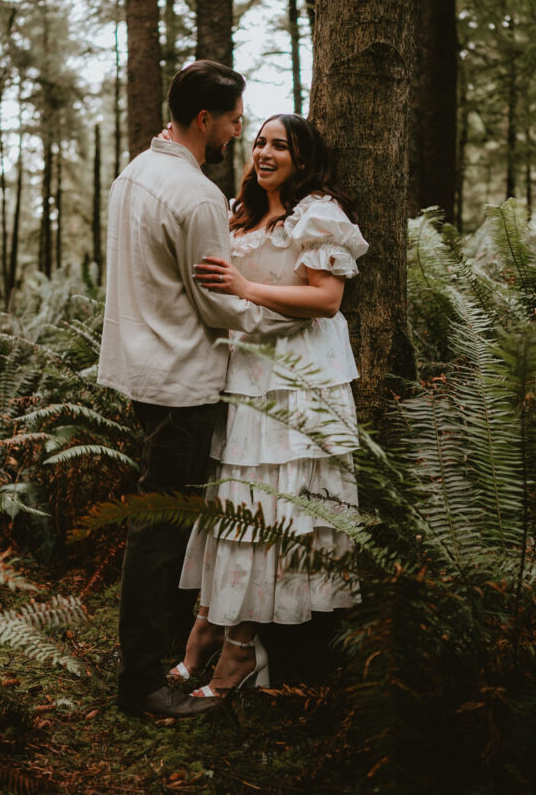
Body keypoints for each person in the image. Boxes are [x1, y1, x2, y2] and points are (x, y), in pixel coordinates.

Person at [97, 62, 307, 719]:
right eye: (236, 119)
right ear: (204, 119)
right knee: (160, 534)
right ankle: (142, 684)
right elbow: (218, 304)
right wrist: (291, 315)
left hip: (141, 371)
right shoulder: (192, 195)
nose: (239, 131)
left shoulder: (134, 174)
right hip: (182, 380)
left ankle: (151, 659)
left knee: (155, 527)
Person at [172, 113, 368, 698]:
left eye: (279, 145)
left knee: (274, 513)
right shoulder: (243, 217)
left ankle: (239, 652)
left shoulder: (317, 215)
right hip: (247, 376)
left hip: (298, 382)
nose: (263, 151)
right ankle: (206, 628)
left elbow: (326, 299)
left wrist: (245, 287)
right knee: (234, 504)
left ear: (302, 159)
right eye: (258, 141)